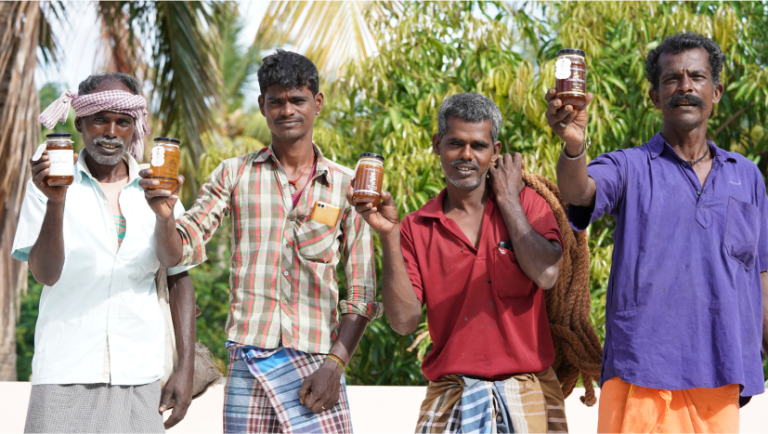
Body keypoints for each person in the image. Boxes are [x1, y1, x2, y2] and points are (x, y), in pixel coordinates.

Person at [140, 49, 380, 434]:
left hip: (317, 366)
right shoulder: (233, 174)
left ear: (317, 103)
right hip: (248, 363)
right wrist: (165, 217)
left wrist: (335, 365)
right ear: (262, 105)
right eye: (276, 101)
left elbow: (361, 291)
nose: (287, 110)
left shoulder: (351, 187)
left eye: (298, 100)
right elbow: (179, 251)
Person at [547, 32, 768, 433]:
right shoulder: (629, 166)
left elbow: (760, 276)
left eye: (697, 77)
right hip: (641, 369)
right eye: (672, 79)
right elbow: (579, 191)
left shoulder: (747, 175)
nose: (685, 86)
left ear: (715, 92)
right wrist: (574, 147)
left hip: (722, 370)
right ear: (655, 97)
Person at [353, 92, 569, 434]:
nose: (466, 155)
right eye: (455, 143)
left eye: (479, 146)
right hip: (452, 395)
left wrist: (509, 200)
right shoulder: (415, 227)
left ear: (494, 152)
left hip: (526, 390)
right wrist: (388, 236)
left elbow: (546, 273)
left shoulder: (527, 205)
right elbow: (404, 322)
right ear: (437, 145)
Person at [12, 73, 197, 434]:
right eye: (100, 119)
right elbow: (45, 274)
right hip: (65, 369)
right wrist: (56, 202)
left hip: (139, 371)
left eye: (123, 122)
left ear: (135, 127)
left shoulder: (157, 185)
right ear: (80, 122)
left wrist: (185, 368)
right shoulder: (47, 186)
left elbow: (179, 275)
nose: (111, 131)